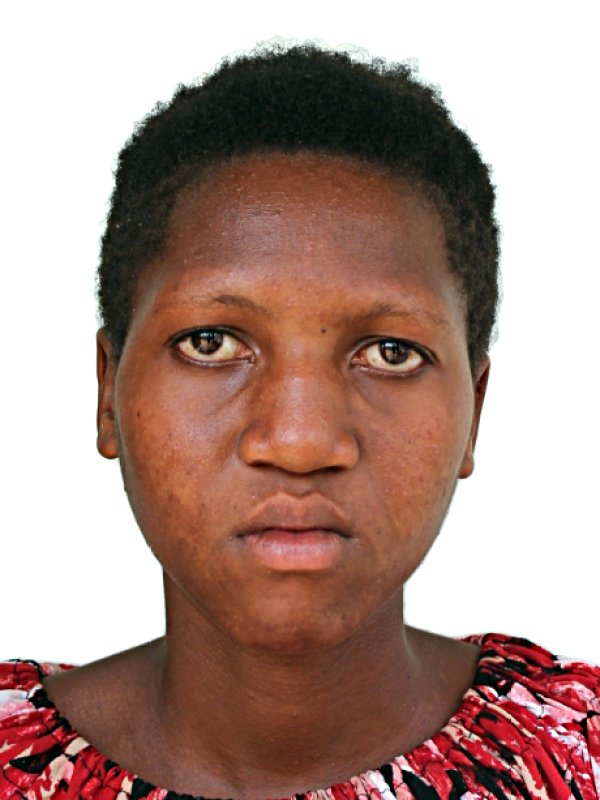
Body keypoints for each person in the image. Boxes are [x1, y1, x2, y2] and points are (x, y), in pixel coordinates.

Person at [0, 43, 598, 800]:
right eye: (210, 343)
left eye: (390, 352)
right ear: (108, 391)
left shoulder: (578, 752)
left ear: (474, 413)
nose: (300, 441)